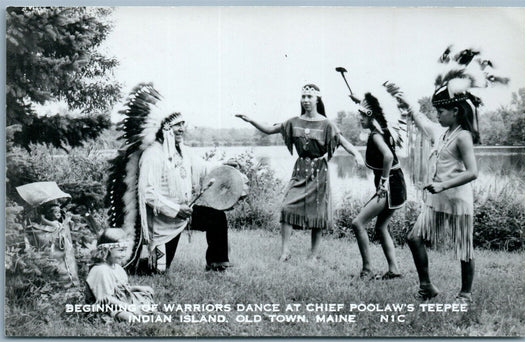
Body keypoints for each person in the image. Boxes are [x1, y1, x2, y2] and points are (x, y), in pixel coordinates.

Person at [405, 47, 507, 303]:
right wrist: (407, 105)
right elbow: (422, 122)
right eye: (437, 111)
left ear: (456, 112)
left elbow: (473, 172)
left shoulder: (462, 137)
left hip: (458, 201)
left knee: (464, 247)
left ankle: (465, 293)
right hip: (437, 200)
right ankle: (427, 286)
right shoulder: (441, 133)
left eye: (441, 111)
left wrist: (443, 185)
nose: (437, 115)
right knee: (414, 238)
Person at [107, 84, 243, 274]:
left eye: (182, 124)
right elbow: (147, 193)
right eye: (177, 125)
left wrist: (225, 164)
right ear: (165, 128)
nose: (182, 129)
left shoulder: (183, 151)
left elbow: (204, 169)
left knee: (216, 218)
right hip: (163, 222)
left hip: (184, 214)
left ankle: (217, 265)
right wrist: (175, 209)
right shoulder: (153, 155)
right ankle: (126, 262)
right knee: (158, 270)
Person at [236, 84, 363, 262]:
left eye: (309, 97)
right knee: (287, 206)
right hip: (300, 170)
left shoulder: (326, 124)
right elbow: (269, 129)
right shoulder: (293, 121)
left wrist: (357, 154)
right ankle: (285, 251)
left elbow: (342, 141)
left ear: (317, 99)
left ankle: (313, 254)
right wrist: (251, 120)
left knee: (318, 213)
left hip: (319, 171)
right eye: (303, 96)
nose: (305, 100)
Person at [348, 89, 407, 280]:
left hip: (389, 184)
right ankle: (394, 270)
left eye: (362, 116)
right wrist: (360, 101)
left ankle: (367, 270)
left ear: (370, 116)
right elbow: (377, 111)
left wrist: (382, 183)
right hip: (397, 182)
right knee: (381, 227)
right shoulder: (384, 128)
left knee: (358, 223)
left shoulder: (375, 135)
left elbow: (388, 156)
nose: (360, 119)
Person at [86, 228, 157, 322]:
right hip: (108, 306)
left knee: (147, 292)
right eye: (120, 250)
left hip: (121, 301)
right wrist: (129, 307)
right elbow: (106, 299)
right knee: (127, 316)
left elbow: (122, 289)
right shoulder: (100, 270)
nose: (124, 254)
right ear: (107, 250)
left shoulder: (117, 267)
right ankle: (130, 315)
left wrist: (137, 288)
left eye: (125, 250)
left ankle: (147, 312)